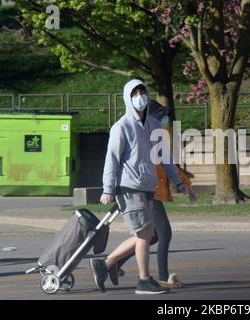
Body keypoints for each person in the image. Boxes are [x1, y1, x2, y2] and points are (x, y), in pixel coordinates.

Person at [89, 79, 194, 295]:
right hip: (129, 187)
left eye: (143, 92)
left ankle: (106, 264)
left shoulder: (154, 125)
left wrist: (179, 182)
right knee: (146, 234)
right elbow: (112, 159)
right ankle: (144, 280)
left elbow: (165, 157)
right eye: (135, 93)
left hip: (148, 187)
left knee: (144, 234)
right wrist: (107, 189)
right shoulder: (122, 127)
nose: (140, 97)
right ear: (128, 98)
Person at [111, 100, 198, 289]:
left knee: (153, 236)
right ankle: (163, 277)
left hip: (151, 193)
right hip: (147, 192)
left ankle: (114, 263)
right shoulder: (145, 136)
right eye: (162, 116)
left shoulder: (156, 136)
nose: (165, 120)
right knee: (163, 234)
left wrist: (184, 184)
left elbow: (168, 164)